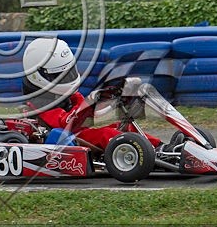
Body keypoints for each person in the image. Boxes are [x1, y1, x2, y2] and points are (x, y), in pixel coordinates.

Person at [21, 37, 162, 150]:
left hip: (78, 134)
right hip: (64, 140)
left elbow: (85, 114)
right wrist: (92, 102)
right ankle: (144, 152)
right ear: (38, 75)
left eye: (67, 73)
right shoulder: (39, 103)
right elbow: (66, 123)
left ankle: (161, 147)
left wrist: (113, 98)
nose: (67, 78)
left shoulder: (67, 94)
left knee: (124, 128)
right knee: (106, 134)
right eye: (60, 75)